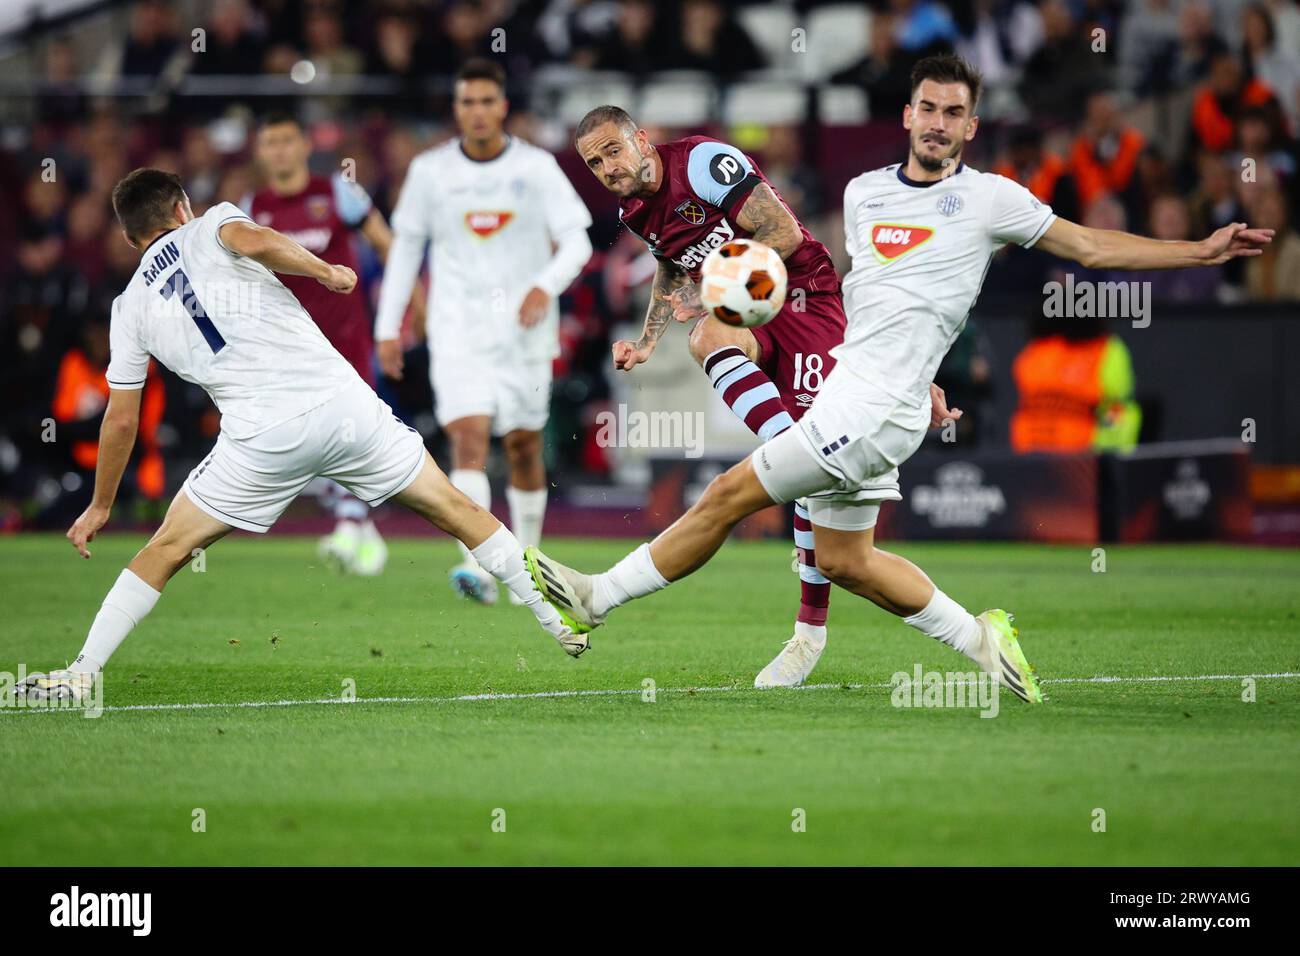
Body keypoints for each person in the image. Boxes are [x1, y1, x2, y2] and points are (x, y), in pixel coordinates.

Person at [527, 54, 1274, 704]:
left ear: (971, 126)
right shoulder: (864, 194)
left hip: (872, 408)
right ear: (908, 114)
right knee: (849, 561)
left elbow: (1092, 250)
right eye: (927, 107)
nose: (938, 122)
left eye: (955, 112)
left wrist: (1199, 252)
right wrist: (920, 377)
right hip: (871, 388)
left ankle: (597, 597)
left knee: (727, 494)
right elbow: (874, 301)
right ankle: (981, 638)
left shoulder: (992, 200)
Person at [17, 168, 581, 704]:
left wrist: (100, 505)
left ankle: (82, 672)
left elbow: (120, 419)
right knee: (454, 506)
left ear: (127, 234)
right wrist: (325, 271)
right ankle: (556, 617)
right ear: (180, 207)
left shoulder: (127, 306)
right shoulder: (212, 223)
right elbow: (256, 238)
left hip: (261, 439)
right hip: (341, 405)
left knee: (164, 549)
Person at [374, 59, 593, 606]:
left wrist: (545, 285)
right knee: (467, 439)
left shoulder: (538, 168)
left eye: (485, 101)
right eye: (466, 102)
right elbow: (404, 250)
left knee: (522, 446)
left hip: (524, 332)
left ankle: (529, 565)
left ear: (503, 108)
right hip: (458, 330)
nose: (476, 112)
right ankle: (478, 567)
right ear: (456, 109)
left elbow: (578, 242)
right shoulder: (430, 172)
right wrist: (387, 327)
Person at [249, 111, 422, 576]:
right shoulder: (252, 209)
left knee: (347, 434)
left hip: (346, 340)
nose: (280, 150)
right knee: (301, 441)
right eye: (271, 142)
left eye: (287, 140)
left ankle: (348, 525)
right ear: (260, 152)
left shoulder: (337, 193)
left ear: (305, 146)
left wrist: (414, 304)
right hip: (286, 347)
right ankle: (361, 528)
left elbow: (388, 244)